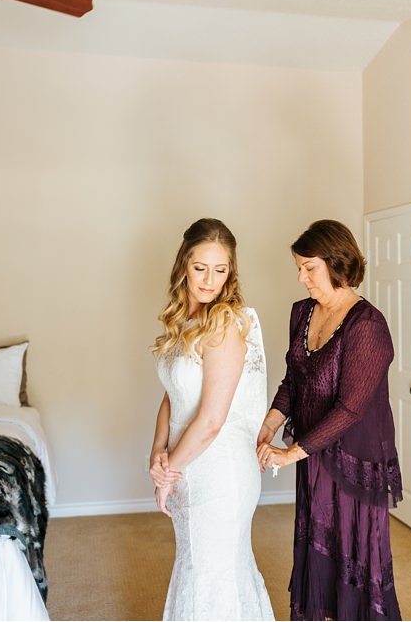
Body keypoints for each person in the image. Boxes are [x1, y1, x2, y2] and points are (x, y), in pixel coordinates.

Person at [256, 219, 402, 621]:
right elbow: (294, 378)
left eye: (309, 267)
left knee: (353, 557)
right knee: (317, 552)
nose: (301, 277)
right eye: (299, 268)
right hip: (314, 457)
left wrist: (289, 454)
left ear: (337, 263)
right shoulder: (302, 313)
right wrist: (270, 424)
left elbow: (350, 409)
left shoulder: (368, 325)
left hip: (355, 464)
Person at [149, 218, 274, 620]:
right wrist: (158, 454)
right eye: (201, 267)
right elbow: (174, 396)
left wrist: (168, 471)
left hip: (220, 471)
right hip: (189, 462)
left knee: (212, 577)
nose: (209, 280)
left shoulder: (225, 325)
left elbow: (212, 420)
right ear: (183, 264)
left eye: (220, 270)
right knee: (197, 570)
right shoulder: (184, 320)